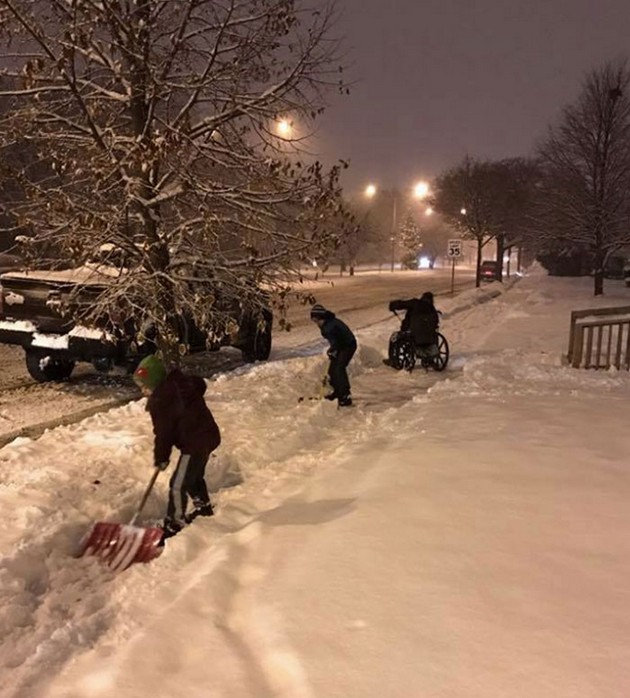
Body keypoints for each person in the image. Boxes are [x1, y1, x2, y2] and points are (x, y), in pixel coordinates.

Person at [133, 354, 221, 543]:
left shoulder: (161, 401)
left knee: (177, 484)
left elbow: (164, 434)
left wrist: (161, 458)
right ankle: (203, 506)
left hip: (194, 443)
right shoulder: (180, 385)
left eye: (144, 386)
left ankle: (175, 522)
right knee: (193, 477)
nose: (143, 391)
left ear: (154, 382)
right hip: (208, 436)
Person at [310, 304, 357, 407]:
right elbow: (335, 342)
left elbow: (337, 341)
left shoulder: (330, 326)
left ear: (321, 318)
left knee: (339, 368)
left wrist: (333, 350)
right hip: (341, 345)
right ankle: (337, 392)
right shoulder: (327, 323)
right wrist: (333, 350)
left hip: (348, 345)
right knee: (332, 370)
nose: (316, 323)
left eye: (316, 320)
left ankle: (345, 395)